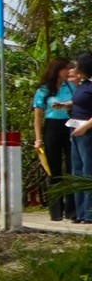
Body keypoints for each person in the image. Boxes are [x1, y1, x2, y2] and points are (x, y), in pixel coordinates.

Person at [37, 55, 75, 213]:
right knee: (53, 168)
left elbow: (78, 103)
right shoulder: (44, 90)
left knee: (72, 166)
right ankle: (56, 209)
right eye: (65, 68)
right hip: (52, 126)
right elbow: (37, 116)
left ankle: (72, 209)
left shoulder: (71, 87)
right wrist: (38, 138)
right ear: (57, 70)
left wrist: (66, 105)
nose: (68, 71)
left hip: (69, 125)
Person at [68, 57, 92, 225]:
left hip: (87, 131)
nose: (74, 69)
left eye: (76, 66)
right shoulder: (83, 84)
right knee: (77, 171)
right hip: (75, 128)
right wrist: (64, 105)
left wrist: (86, 127)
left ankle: (89, 212)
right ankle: (80, 212)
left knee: (88, 171)